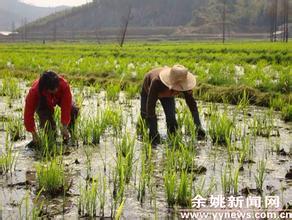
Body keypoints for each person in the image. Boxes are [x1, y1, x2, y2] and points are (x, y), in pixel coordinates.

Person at [140, 64, 206, 145]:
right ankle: (143, 136)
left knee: (171, 119)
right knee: (145, 115)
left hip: (167, 95)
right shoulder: (156, 82)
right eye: (176, 88)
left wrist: (198, 126)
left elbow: (192, 104)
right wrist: (154, 131)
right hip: (148, 91)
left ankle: (172, 141)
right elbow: (150, 106)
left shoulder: (184, 84)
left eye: (179, 88)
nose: (178, 91)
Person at [24, 71, 79, 146]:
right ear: (45, 88)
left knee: (73, 110)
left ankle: (69, 135)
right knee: (49, 129)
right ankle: (53, 140)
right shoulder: (34, 92)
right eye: (53, 89)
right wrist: (34, 134)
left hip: (58, 99)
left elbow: (66, 107)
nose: (56, 90)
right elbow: (28, 114)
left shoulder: (63, 85)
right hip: (43, 103)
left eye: (57, 87)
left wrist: (64, 126)